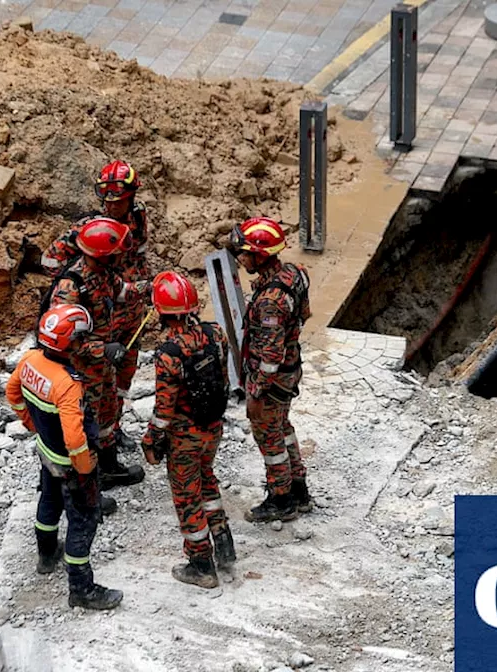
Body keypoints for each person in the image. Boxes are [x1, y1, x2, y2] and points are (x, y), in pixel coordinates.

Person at [6, 305, 124, 610]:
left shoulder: (30, 360)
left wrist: (30, 423)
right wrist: (85, 469)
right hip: (71, 464)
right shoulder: (67, 384)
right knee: (83, 521)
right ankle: (81, 588)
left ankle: (46, 555)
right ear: (68, 343)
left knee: (48, 501)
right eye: (79, 339)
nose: (82, 343)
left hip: (47, 452)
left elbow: (12, 392)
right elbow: (75, 437)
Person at [41, 161, 153, 454]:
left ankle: (112, 430)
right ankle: (91, 445)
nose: (111, 206)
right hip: (104, 318)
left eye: (118, 201)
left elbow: (139, 259)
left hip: (131, 307)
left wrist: (141, 288)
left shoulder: (139, 218)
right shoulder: (91, 228)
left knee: (123, 378)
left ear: (131, 196)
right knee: (98, 382)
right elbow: (50, 261)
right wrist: (81, 288)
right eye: (107, 200)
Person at [141, 271, 236, 588]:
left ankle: (201, 565)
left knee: (186, 497)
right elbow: (223, 378)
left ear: (161, 311)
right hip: (213, 427)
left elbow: (164, 409)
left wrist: (151, 439)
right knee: (206, 478)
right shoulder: (216, 334)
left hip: (184, 437)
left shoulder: (169, 352)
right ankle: (224, 544)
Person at [41, 216, 146, 490]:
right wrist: (103, 348)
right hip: (81, 371)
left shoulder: (104, 274)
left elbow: (122, 292)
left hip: (102, 368)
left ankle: (110, 468)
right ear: (103, 256)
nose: (121, 258)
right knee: (86, 423)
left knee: (108, 416)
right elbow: (62, 340)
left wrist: (149, 288)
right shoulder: (70, 287)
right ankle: (88, 483)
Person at [229, 217, 314, 523]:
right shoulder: (295, 274)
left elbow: (270, 356)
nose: (240, 258)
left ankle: (281, 499)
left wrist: (255, 391)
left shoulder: (269, 303)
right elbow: (304, 314)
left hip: (273, 379)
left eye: (244, 253)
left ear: (260, 256)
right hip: (292, 371)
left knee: (269, 438)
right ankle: (299, 489)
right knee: (284, 427)